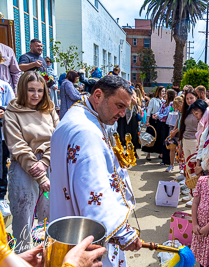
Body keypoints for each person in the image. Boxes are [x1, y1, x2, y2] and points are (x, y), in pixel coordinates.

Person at [50, 75, 142, 267]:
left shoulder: (78, 113)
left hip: (68, 227)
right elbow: (94, 194)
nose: (123, 114)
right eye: (119, 106)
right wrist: (124, 234)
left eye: (126, 108)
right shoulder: (86, 132)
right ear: (98, 95)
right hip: (85, 238)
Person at [3, 71, 59, 253]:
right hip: (24, 167)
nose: (36, 95)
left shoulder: (49, 109)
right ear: (22, 90)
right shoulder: (12, 111)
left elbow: (58, 136)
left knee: (49, 217)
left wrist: (46, 161)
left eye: (40, 91)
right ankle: (23, 256)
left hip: (50, 165)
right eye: (31, 90)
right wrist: (40, 174)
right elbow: (17, 145)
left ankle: (47, 255)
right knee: (23, 218)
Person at [0, 78, 15, 217]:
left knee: (1, 165)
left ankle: (0, 198)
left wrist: (4, 111)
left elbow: (13, 105)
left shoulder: (3, 85)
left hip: (1, 135)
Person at [152, 89, 176, 166]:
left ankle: (168, 160)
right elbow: (160, 111)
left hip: (167, 124)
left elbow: (169, 114)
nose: (165, 95)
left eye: (166, 94)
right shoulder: (164, 103)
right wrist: (156, 114)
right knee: (163, 141)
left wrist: (159, 116)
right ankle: (164, 159)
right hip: (162, 124)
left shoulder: (172, 104)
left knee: (167, 141)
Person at [143, 86, 165, 160]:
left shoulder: (164, 101)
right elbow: (149, 110)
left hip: (160, 120)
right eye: (162, 91)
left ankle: (160, 153)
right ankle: (148, 154)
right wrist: (147, 120)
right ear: (158, 92)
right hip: (152, 120)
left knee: (160, 137)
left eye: (164, 91)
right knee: (150, 136)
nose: (163, 93)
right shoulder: (153, 100)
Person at [179, 87, 200, 161]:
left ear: (196, 97)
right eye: (187, 99)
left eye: (191, 98)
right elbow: (182, 128)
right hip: (185, 141)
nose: (189, 100)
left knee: (194, 167)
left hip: (195, 142)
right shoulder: (185, 110)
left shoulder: (201, 110)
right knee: (187, 167)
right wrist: (180, 144)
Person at [167, 96, 183, 173]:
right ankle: (171, 165)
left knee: (181, 151)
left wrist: (175, 131)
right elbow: (178, 120)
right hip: (176, 132)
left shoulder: (185, 111)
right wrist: (174, 129)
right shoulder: (180, 112)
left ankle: (182, 168)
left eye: (177, 107)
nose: (176, 109)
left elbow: (182, 126)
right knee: (172, 148)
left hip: (181, 133)